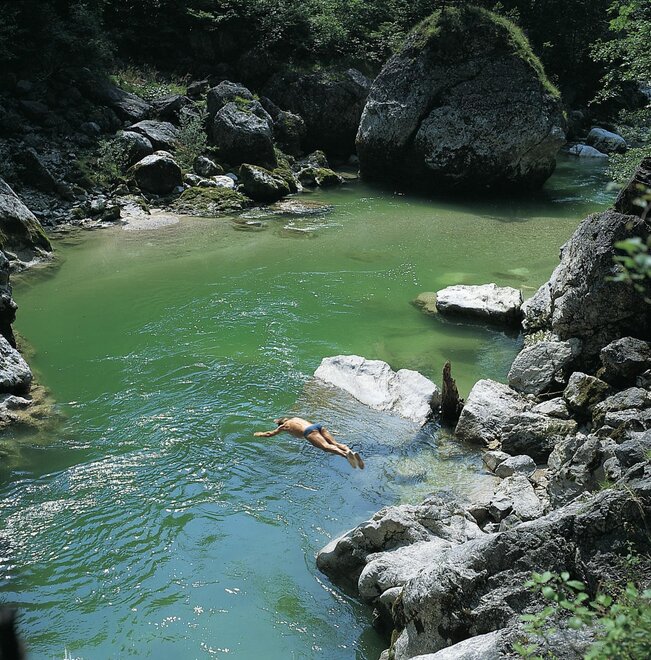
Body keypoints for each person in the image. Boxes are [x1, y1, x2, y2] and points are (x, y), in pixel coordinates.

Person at [254, 417, 365, 469]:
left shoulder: (283, 426)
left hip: (309, 432)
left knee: (326, 447)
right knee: (334, 443)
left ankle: (346, 455)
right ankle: (349, 451)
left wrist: (259, 434)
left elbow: (270, 434)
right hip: (318, 426)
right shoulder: (296, 418)